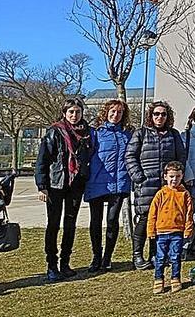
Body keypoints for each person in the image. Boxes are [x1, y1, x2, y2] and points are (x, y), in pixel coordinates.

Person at [126, 101, 187, 271]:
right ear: (151, 116)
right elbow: (130, 156)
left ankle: (155, 254)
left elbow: (181, 157)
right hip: (146, 184)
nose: (160, 117)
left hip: (166, 186)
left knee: (161, 221)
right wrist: (138, 176)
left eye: (163, 114)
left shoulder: (173, 135)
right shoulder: (141, 133)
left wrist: (177, 176)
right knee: (145, 219)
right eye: (156, 114)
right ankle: (137, 255)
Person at [36, 98, 91, 281]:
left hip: (75, 186)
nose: (74, 115)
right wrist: (42, 186)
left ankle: (65, 262)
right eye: (71, 112)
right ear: (65, 113)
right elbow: (42, 160)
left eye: (77, 112)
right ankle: (51, 265)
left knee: (70, 225)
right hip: (56, 184)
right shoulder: (55, 132)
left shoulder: (87, 133)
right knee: (53, 225)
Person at [86, 99, 132, 273]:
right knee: (96, 221)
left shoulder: (127, 134)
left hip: (119, 183)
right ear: (106, 113)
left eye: (119, 112)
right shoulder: (96, 133)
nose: (116, 115)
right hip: (97, 182)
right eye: (113, 111)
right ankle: (96, 256)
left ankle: (107, 257)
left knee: (112, 221)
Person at [147, 161, 194, 294]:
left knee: (175, 257)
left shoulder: (184, 194)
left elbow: (189, 213)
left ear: (182, 176)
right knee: (160, 258)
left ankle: (175, 278)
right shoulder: (160, 194)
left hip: (177, 232)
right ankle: (158, 279)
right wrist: (151, 230)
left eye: (178, 176)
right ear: (165, 176)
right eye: (172, 176)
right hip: (161, 232)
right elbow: (152, 214)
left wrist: (188, 229)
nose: (174, 180)